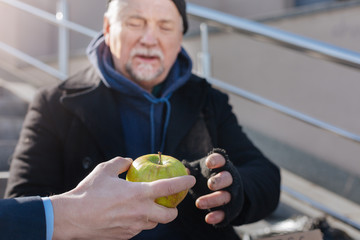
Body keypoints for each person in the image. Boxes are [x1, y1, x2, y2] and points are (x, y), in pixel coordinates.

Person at [5, 0, 281, 239]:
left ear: (179, 37)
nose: (149, 39)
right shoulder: (55, 104)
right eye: (135, 23)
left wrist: (231, 187)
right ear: (109, 28)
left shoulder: (206, 99)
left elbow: (265, 175)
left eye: (165, 26)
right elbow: (24, 202)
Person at [0, 157, 195, 240]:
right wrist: (70, 215)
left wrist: (205, 181)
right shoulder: (56, 101)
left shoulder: (209, 101)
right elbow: (22, 193)